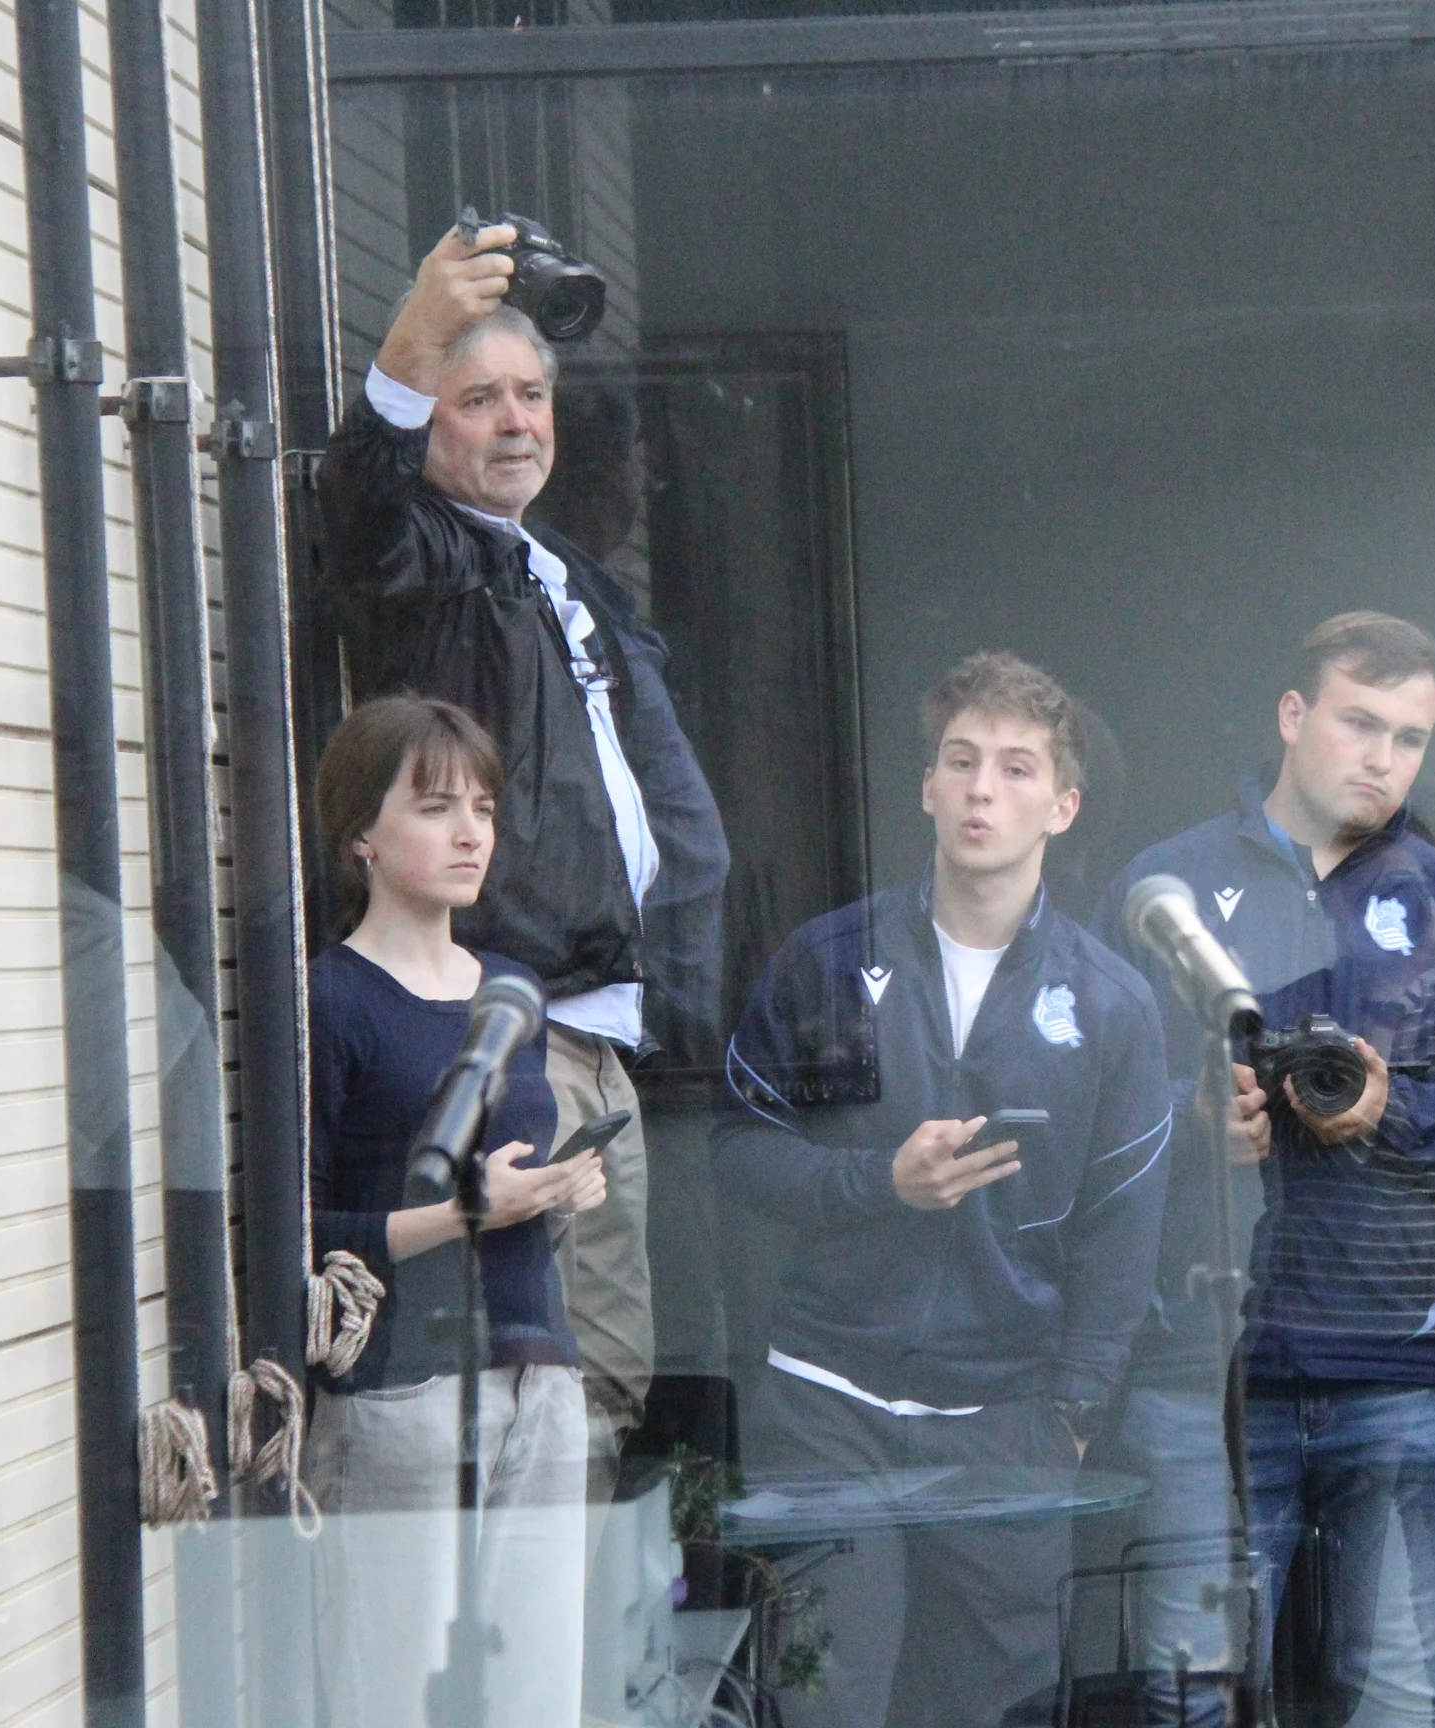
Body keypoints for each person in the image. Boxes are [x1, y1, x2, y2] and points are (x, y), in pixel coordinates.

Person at [1097, 612, 1435, 1728]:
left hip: (1406, 1355)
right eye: (1360, 723)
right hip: (1208, 1364)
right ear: (1292, 715)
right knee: (1194, 1698)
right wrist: (1192, 1118)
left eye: (1410, 738)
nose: (1383, 758)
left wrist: (1389, 1107)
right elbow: (1083, 1118)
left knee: (1402, 1698)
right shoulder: (1163, 887)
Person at [319, 222, 732, 1471]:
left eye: (532, 395)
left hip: (605, 1025)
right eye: (477, 399)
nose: (515, 423)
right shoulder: (427, 563)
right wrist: (411, 339)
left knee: (604, 1377)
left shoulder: (560, 569)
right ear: (428, 425)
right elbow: (355, 511)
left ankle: (578, 1597)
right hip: (512, 1018)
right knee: (516, 1379)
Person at [715, 651, 1174, 1728]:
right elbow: (739, 1149)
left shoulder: (1111, 1005)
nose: (982, 790)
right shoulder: (831, 960)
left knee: (995, 1711)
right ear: (925, 785)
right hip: (828, 1401)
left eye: (1016, 768)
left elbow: (1123, 1232)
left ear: (1062, 806)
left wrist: (1070, 1415)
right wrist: (879, 1181)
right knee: (827, 1705)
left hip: (1006, 1418)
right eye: (960, 761)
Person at [300, 695, 610, 1728]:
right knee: (391, 1698)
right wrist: (461, 1214)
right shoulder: (330, 999)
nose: (471, 832)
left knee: (537, 1701)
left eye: (481, 807)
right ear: (362, 835)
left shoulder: (511, 988)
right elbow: (298, 1230)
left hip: (537, 1371)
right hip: (400, 1391)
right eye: (435, 808)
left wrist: (562, 1188)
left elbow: (513, 1181)